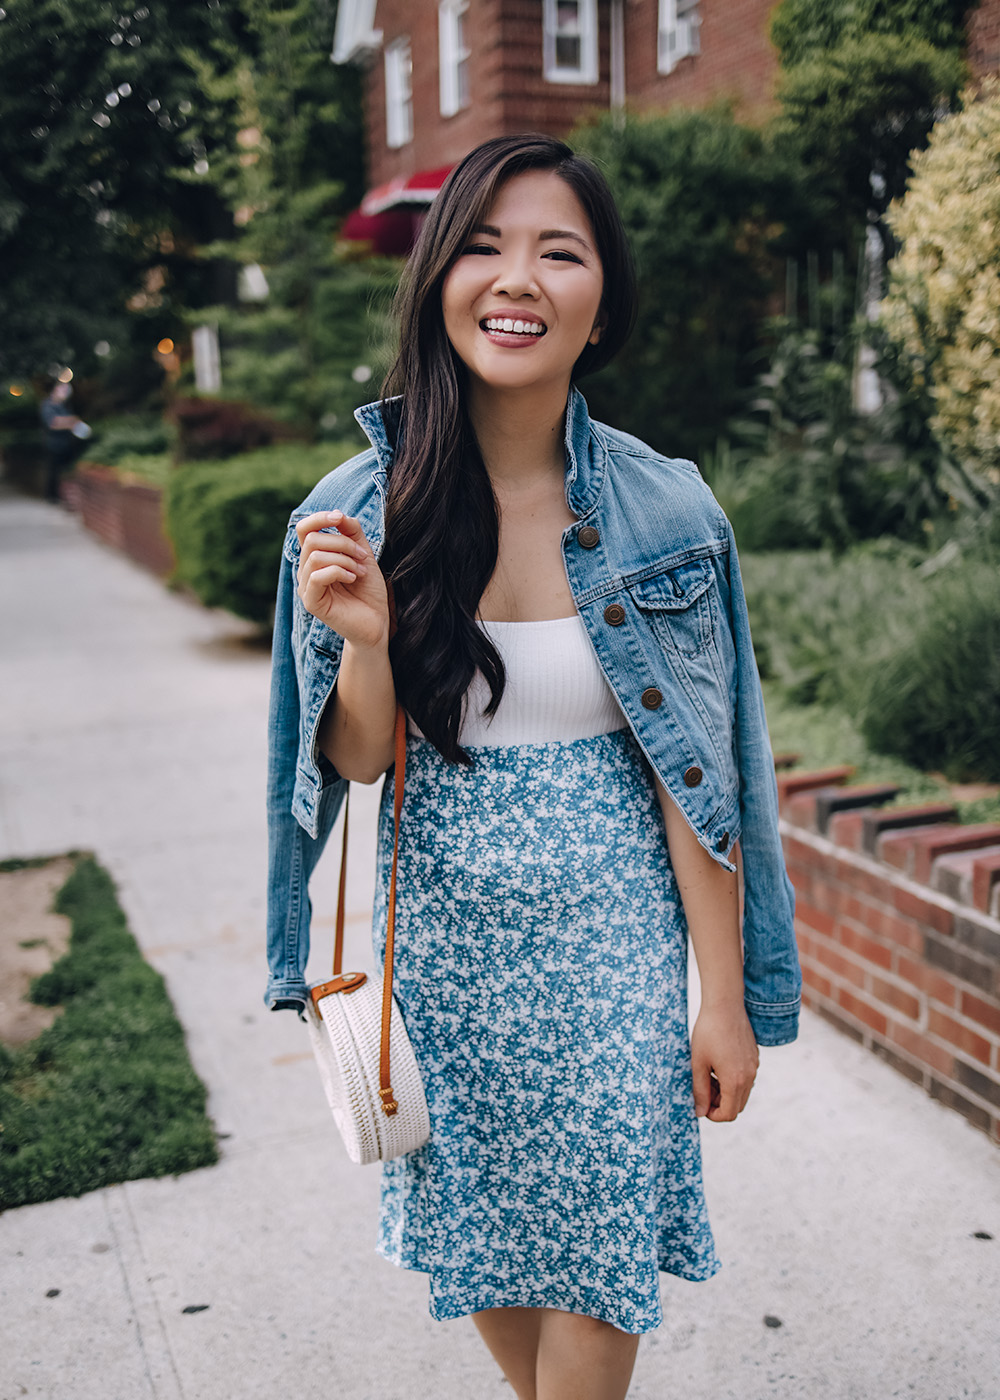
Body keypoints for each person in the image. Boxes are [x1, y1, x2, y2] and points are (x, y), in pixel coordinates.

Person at [265, 133, 800, 1400]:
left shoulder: (670, 512)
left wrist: (721, 995)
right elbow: (346, 765)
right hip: (439, 946)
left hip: (613, 941)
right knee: (494, 1249)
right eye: (486, 248)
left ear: (599, 298)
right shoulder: (352, 513)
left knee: (601, 1266)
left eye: (558, 251)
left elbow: (705, 780)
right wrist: (366, 646)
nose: (518, 279)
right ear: (439, 278)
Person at [39, 381, 87, 503]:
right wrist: (71, 421)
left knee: (66, 471)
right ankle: (51, 497)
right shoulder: (48, 405)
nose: (65, 394)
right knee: (54, 471)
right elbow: (54, 423)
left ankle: (64, 495)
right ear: (55, 390)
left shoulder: (65, 406)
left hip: (67, 443)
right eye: (63, 390)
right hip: (54, 444)